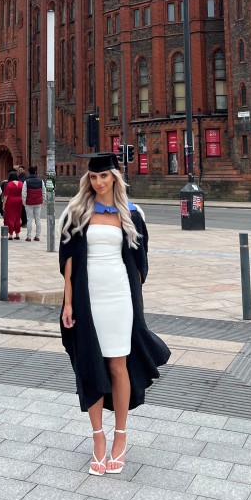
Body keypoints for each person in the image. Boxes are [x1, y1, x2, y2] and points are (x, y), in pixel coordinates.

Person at [59, 152, 171, 476]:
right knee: (89, 365)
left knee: (118, 366)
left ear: (115, 178)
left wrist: (136, 303)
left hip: (120, 297)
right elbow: (68, 263)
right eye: (93, 177)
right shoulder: (77, 212)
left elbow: (139, 263)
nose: (98, 182)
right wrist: (68, 303)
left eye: (104, 176)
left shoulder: (132, 214)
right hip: (86, 297)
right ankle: (98, 438)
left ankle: (120, 435)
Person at [22, 166, 46, 241]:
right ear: (35, 172)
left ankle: (29, 236)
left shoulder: (26, 181)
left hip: (29, 202)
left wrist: (24, 202)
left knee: (29, 219)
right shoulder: (41, 181)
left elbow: (24, 193)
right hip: (38, 202)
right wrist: (43, 200)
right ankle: (37, 236)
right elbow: (44, 191)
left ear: (29, 172)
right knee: (38, 219)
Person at [3, 170, 23, 240]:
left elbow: (6, 195)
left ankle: (10, 234)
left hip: (10, 201)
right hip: (19, 200)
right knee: (18, 217)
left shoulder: (9, 184)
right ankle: (17, 234)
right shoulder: (21, 183)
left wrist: (3, 204)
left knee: (10, 217)